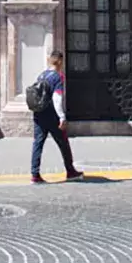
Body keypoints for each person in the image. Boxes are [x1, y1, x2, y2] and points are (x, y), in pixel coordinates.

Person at [31, 51, 83, 184]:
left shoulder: (41, 75)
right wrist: (62, 117)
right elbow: (57, 98)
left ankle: (35, 174)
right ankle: (70, 172)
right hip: (52, 116)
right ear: (60, 61)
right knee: (63, 143)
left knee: (38, 143)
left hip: (38, 114)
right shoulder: (57, 77)